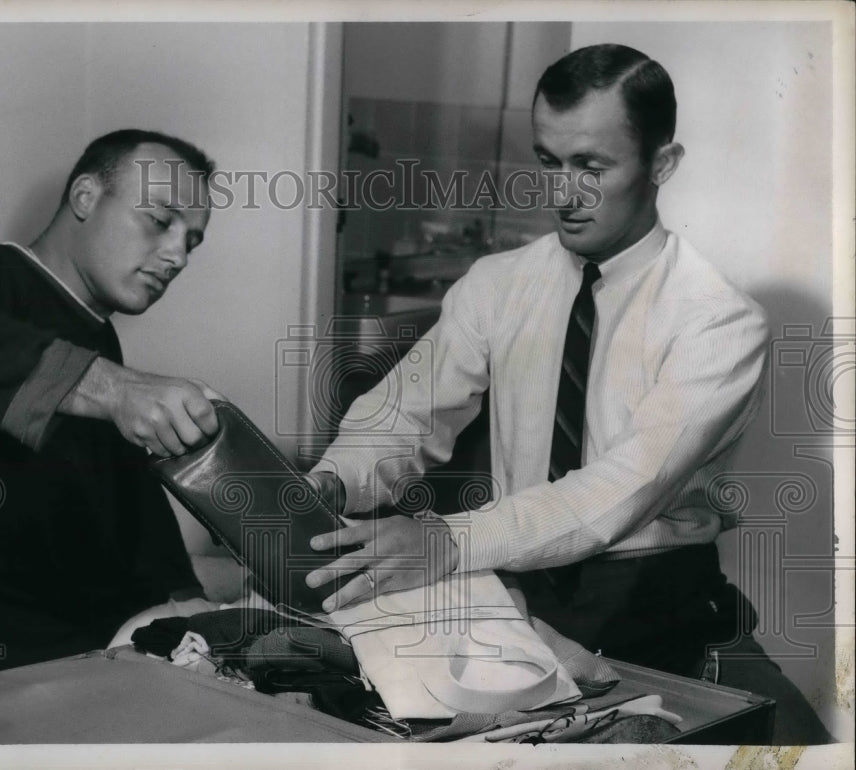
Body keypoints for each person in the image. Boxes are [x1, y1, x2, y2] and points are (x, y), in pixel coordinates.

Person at [303, 45, 833, 744]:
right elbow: (404, 414)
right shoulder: (497, 284)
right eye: (549, 162)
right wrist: (330, 484)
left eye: (591, 166)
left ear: (662, 165)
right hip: (520, 606)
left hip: (663, 613)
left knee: (802, 753)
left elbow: (616, 493)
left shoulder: (719, 320)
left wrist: (445, 542)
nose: (561, 193)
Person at [0, 129, 222, 672]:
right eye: (160, 221)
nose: (177, 256)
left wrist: (185, 591)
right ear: (85, 197)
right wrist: (116, 389)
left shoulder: (98, 338)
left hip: (88, 641)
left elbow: (126, 507)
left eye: (191, 241)